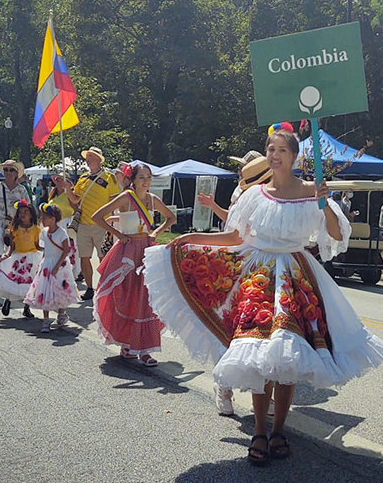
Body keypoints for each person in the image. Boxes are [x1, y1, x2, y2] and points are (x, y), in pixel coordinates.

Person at [143, 128, 383, 465]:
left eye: (282, 149)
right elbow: (234, 237)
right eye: (271, 149)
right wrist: (190, 238)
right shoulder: (255, 195)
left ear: (294, 156)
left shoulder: (313, 192)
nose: (274, 155)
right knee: (257, 354)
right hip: (257, 277)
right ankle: (259, 429)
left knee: (286, 357)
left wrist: (325, 203)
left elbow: (334, 235)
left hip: (296, 278)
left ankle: (279, 429)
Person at [198, 155, 273, 415]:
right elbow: (233, 231)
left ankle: (262, 391)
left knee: (266, 333)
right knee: (234, 329)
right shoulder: (247, 196)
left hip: (271, 269)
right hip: (242, 267)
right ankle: (224, 385)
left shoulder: (280, 195)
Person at [92, 163, 176, 366]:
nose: (146, 181)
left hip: (146, 250)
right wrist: (119, 234)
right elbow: (97, 216)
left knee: (146, 297)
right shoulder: (126, 198)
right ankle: (127, 343)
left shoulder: (153, 199)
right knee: (128, 295)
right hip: (128, 251)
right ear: (133, 179)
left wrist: (156, 232)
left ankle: (145, 349)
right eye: (141, 177)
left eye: (148, 177)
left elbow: (171, 218)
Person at [65, 146, 119, 301]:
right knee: (84, 257)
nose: (88, 160)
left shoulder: (109, 177)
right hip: (83, 224)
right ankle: (90, 287)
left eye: (91, 157)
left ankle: (104, 286)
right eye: (87, 157)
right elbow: (75, 199)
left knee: (103, 257)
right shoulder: (82, 178)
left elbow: (114, 200)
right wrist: (68, 189)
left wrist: (113, 221)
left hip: (101, 224)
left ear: (98, 159)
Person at [24, 203, 79, 332]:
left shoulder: (61, 233)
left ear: (53, 219)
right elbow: (44, 246)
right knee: (45, 290)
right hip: (47, 264)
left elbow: (66, 250)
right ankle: (46, 321)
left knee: (59, 289)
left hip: (59, 266)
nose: (42, 220)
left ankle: (61, 314)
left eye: (44, 218)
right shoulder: (44, 232)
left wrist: (57, 265)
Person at [0, 160, 31, 297]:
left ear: (16, 173)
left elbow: (28, 208)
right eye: (6, 170)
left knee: (15, 254)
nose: (8, 173)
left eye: (11, 170)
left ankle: (13, 282)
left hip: (15, 226)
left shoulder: (21, 190)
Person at [0, 200, 42, 318]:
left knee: (30, 284)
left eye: (26, 212)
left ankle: (26, 308)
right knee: (14, 280)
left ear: (31, 214)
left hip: (32, 259)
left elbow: (37, 245)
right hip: (18, 258)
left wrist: (47, 251)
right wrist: (7, 255)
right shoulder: (14, 229)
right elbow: (12, 246)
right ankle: (8, 300)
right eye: (21, 212)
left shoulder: (36, 229)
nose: (23, 214)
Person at [48, 172, 80, 280]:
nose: (58, 182)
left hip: (66, 223)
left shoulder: (68, 194)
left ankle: (71, 271)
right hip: (54, 224)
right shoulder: (53, 193)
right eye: (56, 180)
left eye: (60, 180)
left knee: (69, 249)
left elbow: (76, 208)